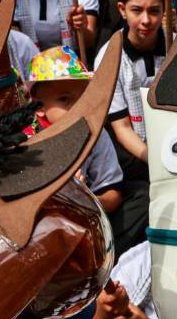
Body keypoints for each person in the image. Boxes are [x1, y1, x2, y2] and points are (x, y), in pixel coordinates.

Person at [96, 0, 163, 254]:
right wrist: (155, 161)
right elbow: (121, 127)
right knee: (147, 196)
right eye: (137, 10)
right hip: (131, 155)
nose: (145, 20)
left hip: (175, 144)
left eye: (154, 11)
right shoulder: (108, 55)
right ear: (122, 10)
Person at [25, 46, 122, 214]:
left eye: (83, 98)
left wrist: (87, 199)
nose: (79, 108)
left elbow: (113, 193)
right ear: (38, 106)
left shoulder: (95, 133)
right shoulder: (25, 139)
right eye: (65, 100)